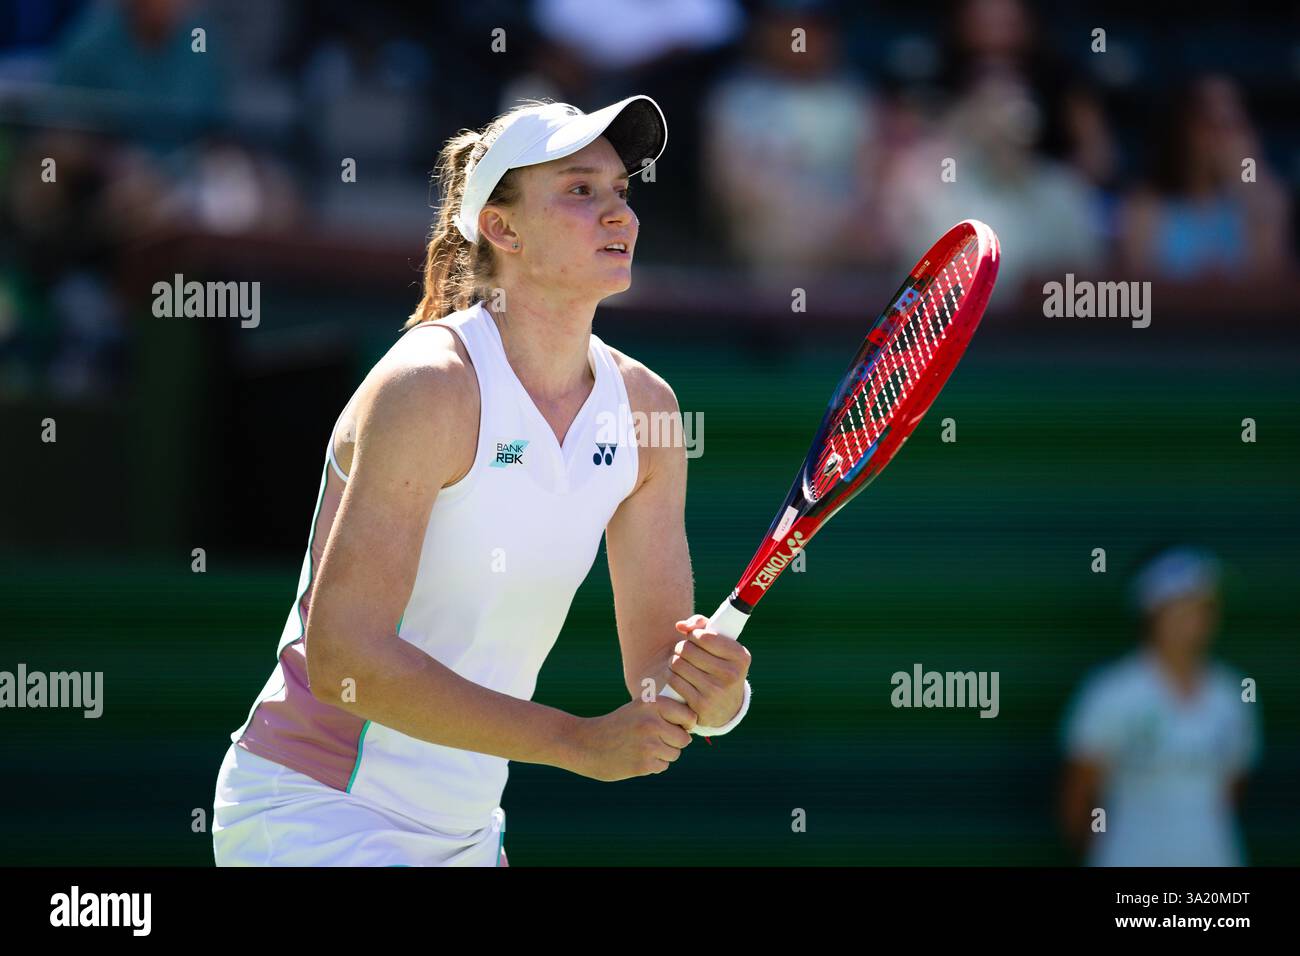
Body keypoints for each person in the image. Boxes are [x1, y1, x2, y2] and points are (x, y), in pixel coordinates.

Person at [212, 96, 753, 866]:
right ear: (502, 229)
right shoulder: (429, 387)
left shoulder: (647, 412)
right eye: (578, 190)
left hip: (467, 831)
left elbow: (659, 676)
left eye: (621, 192)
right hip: (314, 814)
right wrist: (575, 742)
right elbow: (345, 660)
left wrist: (716, 697)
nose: (618, 216)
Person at [1059, 547, 1260, 866]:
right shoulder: (1110, 692)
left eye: (1206, 606)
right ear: (1154, 612)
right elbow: (1078, 795)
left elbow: (1232, 787)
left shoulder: (1232, 693)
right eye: (1186, 606)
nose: (1199, 618)